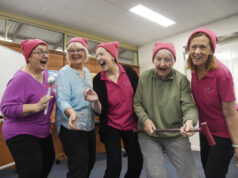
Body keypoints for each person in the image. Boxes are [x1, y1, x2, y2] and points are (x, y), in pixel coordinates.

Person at [133, 42, 199, 178]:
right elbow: (137, 103)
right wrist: (145, 120)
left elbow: (188, 106)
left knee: (190, 174)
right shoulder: (144, 77)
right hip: (149, 136)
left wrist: (189, 121)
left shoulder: (181, 80)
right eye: (158, 59)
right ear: (154, 60)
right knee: (155, 175)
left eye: (167, 60)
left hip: (175, 134)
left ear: (173, 62)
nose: (162, 64)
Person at [186, 27, 238, 178]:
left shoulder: (222, 74)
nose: (197, 51)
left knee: (214, 175)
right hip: (206, 130)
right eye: (193, 46)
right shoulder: (194, 70)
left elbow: (230, 113)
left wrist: (236, 145)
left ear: (211, 50)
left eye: (203, 47)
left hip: (223, 133)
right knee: (207, 170)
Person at [0, 39, 55, 178]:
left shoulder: (47, 75)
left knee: (48, 161)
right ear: (29, 56)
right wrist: (35, 107)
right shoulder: (20, 79)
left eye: (46, 52)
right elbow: (6, 108)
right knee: (32, 171)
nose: (45, 55)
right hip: (20, 132)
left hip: (43, 131)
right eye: (39, 52)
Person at [92, 41, 143, 178]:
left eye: (101, 54)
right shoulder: (98, 80)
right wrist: (96, 101)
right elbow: (99, 110)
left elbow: (140, 97)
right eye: (96, 56)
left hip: (131, 125)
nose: (98, 58)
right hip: (111, 127)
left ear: (113, 56)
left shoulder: (129, 72)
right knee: (114, 166)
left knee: (137, 162)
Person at [55, 37, 96, 178]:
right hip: (71, 126)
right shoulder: (64, 72)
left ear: (85, 53)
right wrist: (71, 112)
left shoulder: (87, 71)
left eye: (79, 50)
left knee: (90, 161)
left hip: (88, 125)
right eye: (71, 50)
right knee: (78, 166)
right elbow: (62, 99)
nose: (75, 53)